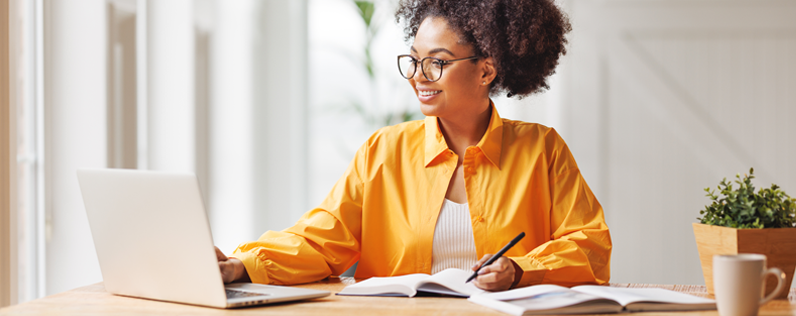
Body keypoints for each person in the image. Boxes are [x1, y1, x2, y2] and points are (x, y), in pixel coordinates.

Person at [216, 0, 611, 291]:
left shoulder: (542, 149)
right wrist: (240, 265)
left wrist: (522, 270)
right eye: (414, 60)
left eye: (436, 62)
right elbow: (321, 241)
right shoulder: (383, 151)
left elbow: (589, 247)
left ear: (486, 70)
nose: (418, 77)